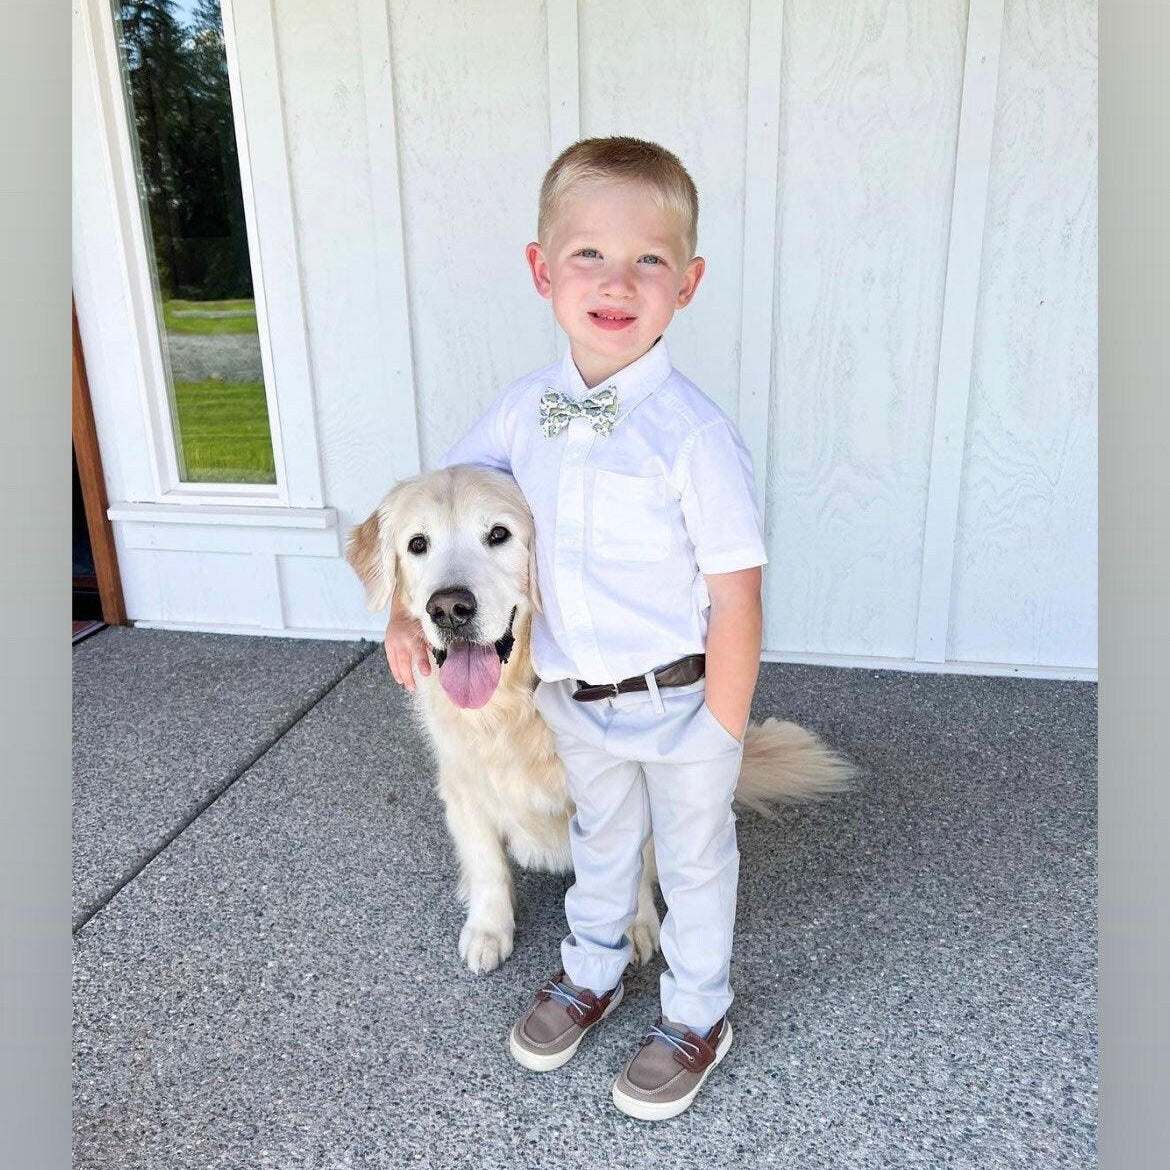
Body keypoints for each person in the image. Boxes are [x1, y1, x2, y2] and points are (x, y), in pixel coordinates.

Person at [384, 136, 767, 1120]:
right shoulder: (524, 411)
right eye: (589, 253)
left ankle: (696, 1015)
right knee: (602, 845)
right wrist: (399, 611)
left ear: (688, 283)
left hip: (679, 700)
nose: (617, 281)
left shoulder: (694, 437)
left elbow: (736, 593)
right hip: (573, 701)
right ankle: (591, 971)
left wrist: (724, 729)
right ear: (541, 269)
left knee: (693, 863)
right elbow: (433, 511)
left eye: (649, 259)